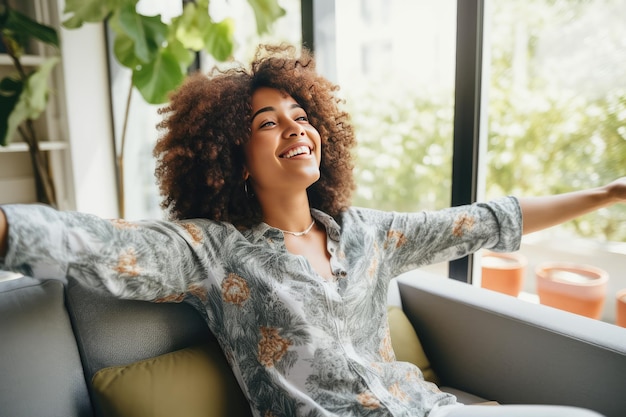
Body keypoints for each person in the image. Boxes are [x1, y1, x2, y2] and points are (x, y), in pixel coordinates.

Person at [0, 44, 623, 417]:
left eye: (301, 115)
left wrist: (607, 193)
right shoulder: (210, 250)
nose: (295, 127)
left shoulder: (369, 232)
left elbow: (485, 223)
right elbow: (96, 242)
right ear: (232, 158)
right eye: (268, 122)